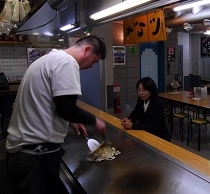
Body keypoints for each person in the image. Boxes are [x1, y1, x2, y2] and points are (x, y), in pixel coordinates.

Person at [5, 35, 107, 194]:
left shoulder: (48, 59)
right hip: (35, 157)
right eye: (94, 61)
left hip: (23, 155)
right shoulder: (67, 62)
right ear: (86, 50)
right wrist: (95, 121)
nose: (91, 67)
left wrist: (71, 121)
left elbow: (49, 102)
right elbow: (66, 108)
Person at [121, 77, 170, 141]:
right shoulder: (140, 100)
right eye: (139, 90)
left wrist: (132, 126)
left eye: (144, 90)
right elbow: (135, 113)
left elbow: (153, 126)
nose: (141, 93)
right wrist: (129, 120)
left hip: (159, 138)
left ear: (151, 91)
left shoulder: (158, 104)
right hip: (145, 135)